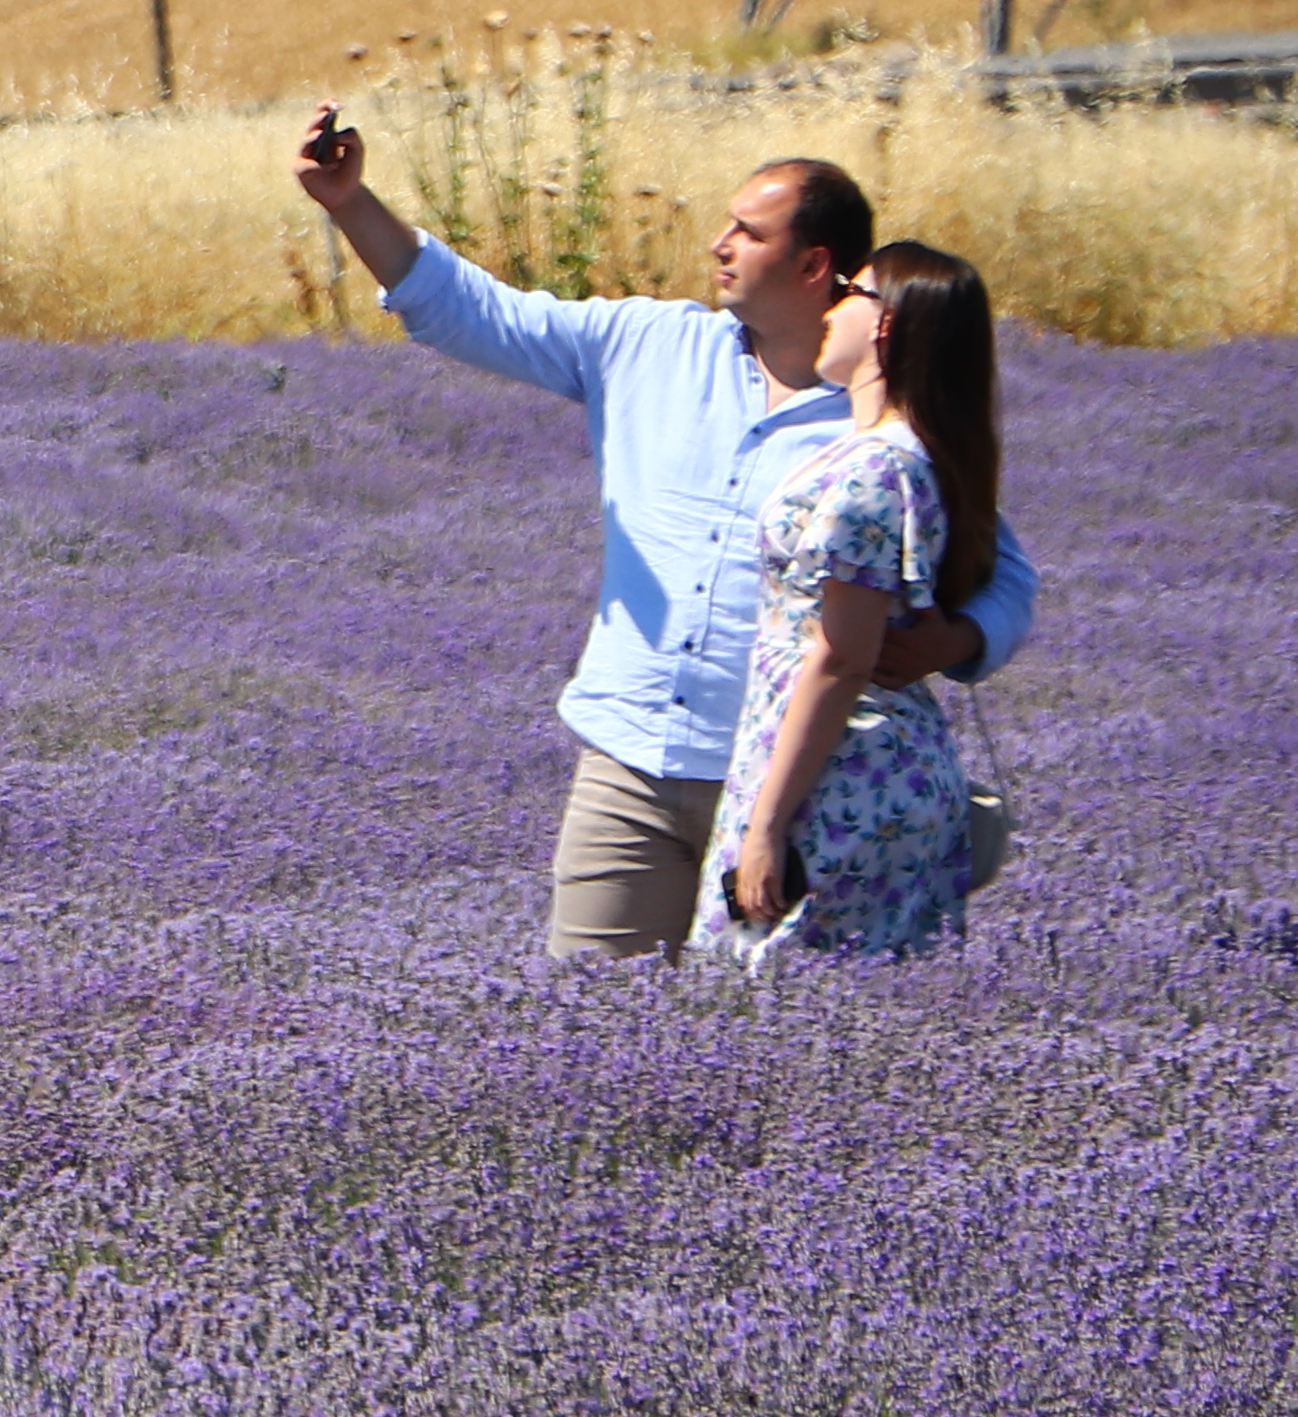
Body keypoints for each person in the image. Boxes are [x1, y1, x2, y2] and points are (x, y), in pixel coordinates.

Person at [295, 114, 1036, 957]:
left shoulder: (875, 425)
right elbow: (474, 312)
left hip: (787, 785)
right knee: (590, 1029)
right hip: (631, 763)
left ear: (813, 264)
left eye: (747, 232)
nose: (718, 243)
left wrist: (962, 637)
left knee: (774, 1051)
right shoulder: (648, 344)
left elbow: (1005, 572)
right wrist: (352, 205)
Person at [709, 243, 1002, 962]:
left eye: (849, 292)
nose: (831, 309)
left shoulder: (873, 468)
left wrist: (766, 826)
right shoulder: (911, 454)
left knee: (771, 1009)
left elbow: (840, 656)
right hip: (881, 776)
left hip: (838, 780)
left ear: (886, 326)